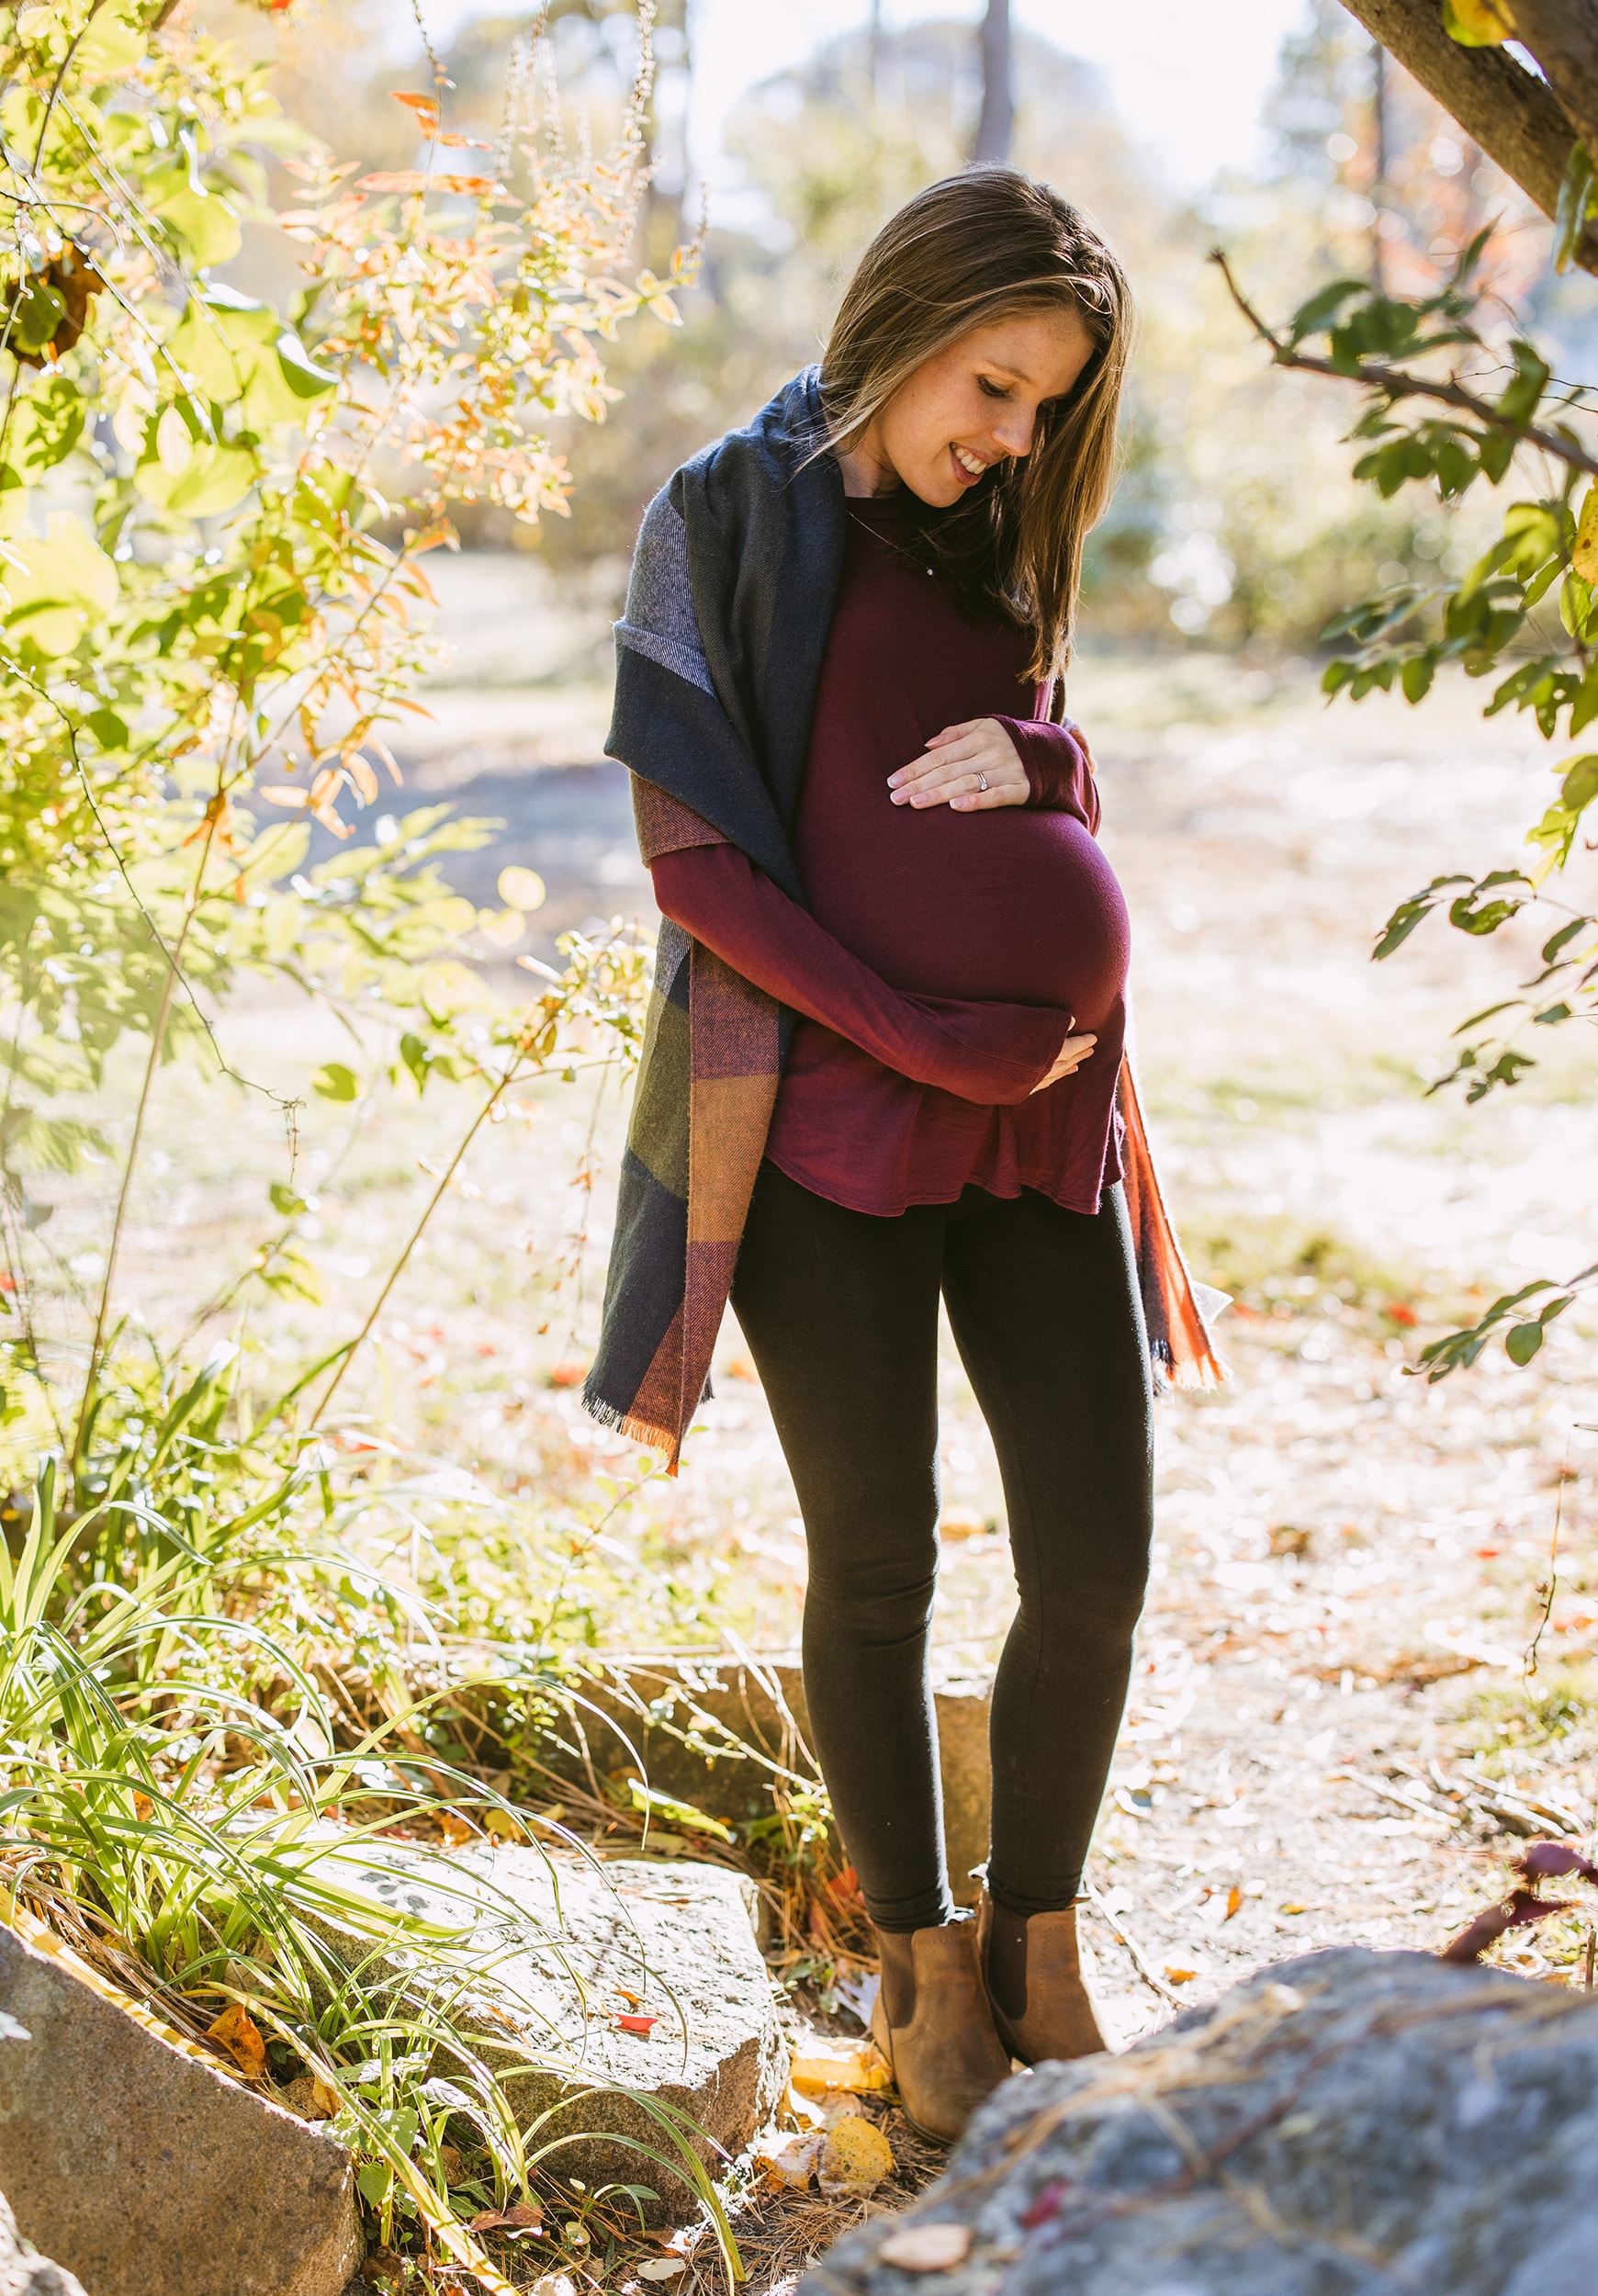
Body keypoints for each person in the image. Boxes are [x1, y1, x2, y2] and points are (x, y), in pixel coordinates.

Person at [585, 169, 1221, 2142]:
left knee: (1095, 1550)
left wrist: (1051, 772)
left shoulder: (1001, 530)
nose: (1015, 436)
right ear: (909, 319)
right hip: (827, 1118)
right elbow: (696, 864)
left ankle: (1042, 1940)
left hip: (1039, 1122)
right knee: (873, 1562)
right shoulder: (718, 514)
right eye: (995, 385)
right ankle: (920, 1960)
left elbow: (1047, 756)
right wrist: (927, 1027)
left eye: (1045, 405)